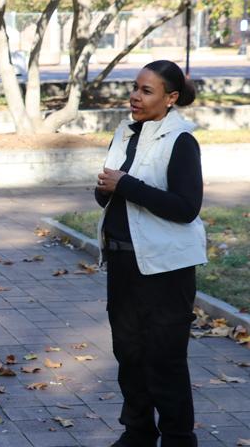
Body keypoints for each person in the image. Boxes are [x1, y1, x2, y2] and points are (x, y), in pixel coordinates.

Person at [95, 60, 206, 447]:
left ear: (171, 98)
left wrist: (125, 185)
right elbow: (108, 193)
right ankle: (138, 433)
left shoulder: (181, 141)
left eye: (147, 91)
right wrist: (107, 189)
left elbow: (185, 207)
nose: (135, 97)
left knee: (165, 359)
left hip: (166, 268)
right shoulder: (123, 133)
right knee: (129, 353)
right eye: (135, 88)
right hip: (123, 262)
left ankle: (178, 438)